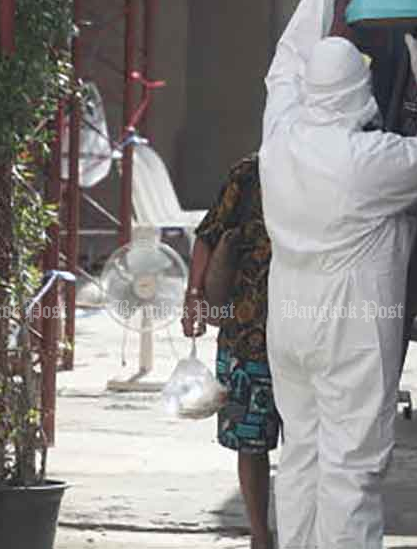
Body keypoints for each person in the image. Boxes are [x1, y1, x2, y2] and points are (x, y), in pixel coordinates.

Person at [260, 0, 417, 549]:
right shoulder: (366, 161)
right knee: (351, 466)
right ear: (359, 91)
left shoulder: (282, 138)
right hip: (349, 324)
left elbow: (286, 64)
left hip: (289, 319)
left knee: (299, 453)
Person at [182, 153, 280, 549]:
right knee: (249, 440)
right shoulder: (250, 172)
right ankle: (260, 535)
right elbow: (209, 234)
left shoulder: (332, 165)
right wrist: (193, 296)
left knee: (311, 449)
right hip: (246, 331)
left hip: (312, 335)